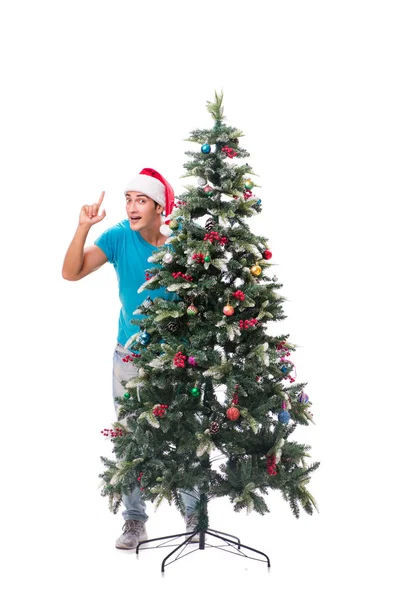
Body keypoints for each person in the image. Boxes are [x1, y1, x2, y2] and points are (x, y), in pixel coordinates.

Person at [62, 168, 199, 549]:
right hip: (130, 357)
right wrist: (83, 227)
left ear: (159, 207)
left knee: (186, 435)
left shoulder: (181, 247)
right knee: (131, 439)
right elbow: (70, 273)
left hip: (177, 359)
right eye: (128, 199)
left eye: (141, 200)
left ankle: (193, 516)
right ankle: (134, 521)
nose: (131, 207)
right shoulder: (120, 236)